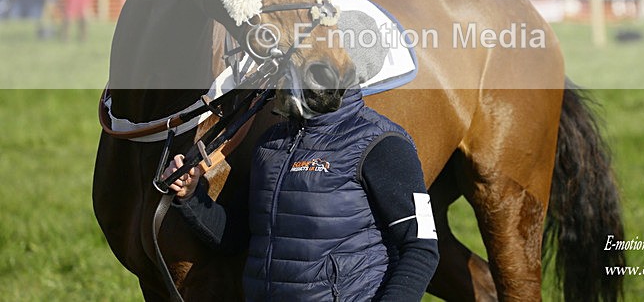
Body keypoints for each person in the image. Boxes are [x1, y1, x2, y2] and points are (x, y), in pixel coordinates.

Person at [163, 88, 439, 301]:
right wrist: (191, 196)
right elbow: (235, 237)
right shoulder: (269, 145)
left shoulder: (383, 143)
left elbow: (421, 249)